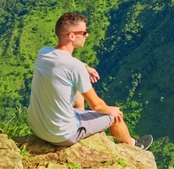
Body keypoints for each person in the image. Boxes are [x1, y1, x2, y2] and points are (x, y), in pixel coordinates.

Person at [27, 12, 152, 149]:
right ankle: (134, 145)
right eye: (84, 32)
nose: (87, 35)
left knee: (78, 93)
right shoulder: (75, 68)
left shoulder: (43, 53)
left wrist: (85, 66)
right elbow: (97, 106)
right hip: (61, 135)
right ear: (72, 36)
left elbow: (65, 62)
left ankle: (82, 122)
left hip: (37, 127)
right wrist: (111, 110)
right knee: (115, 116)